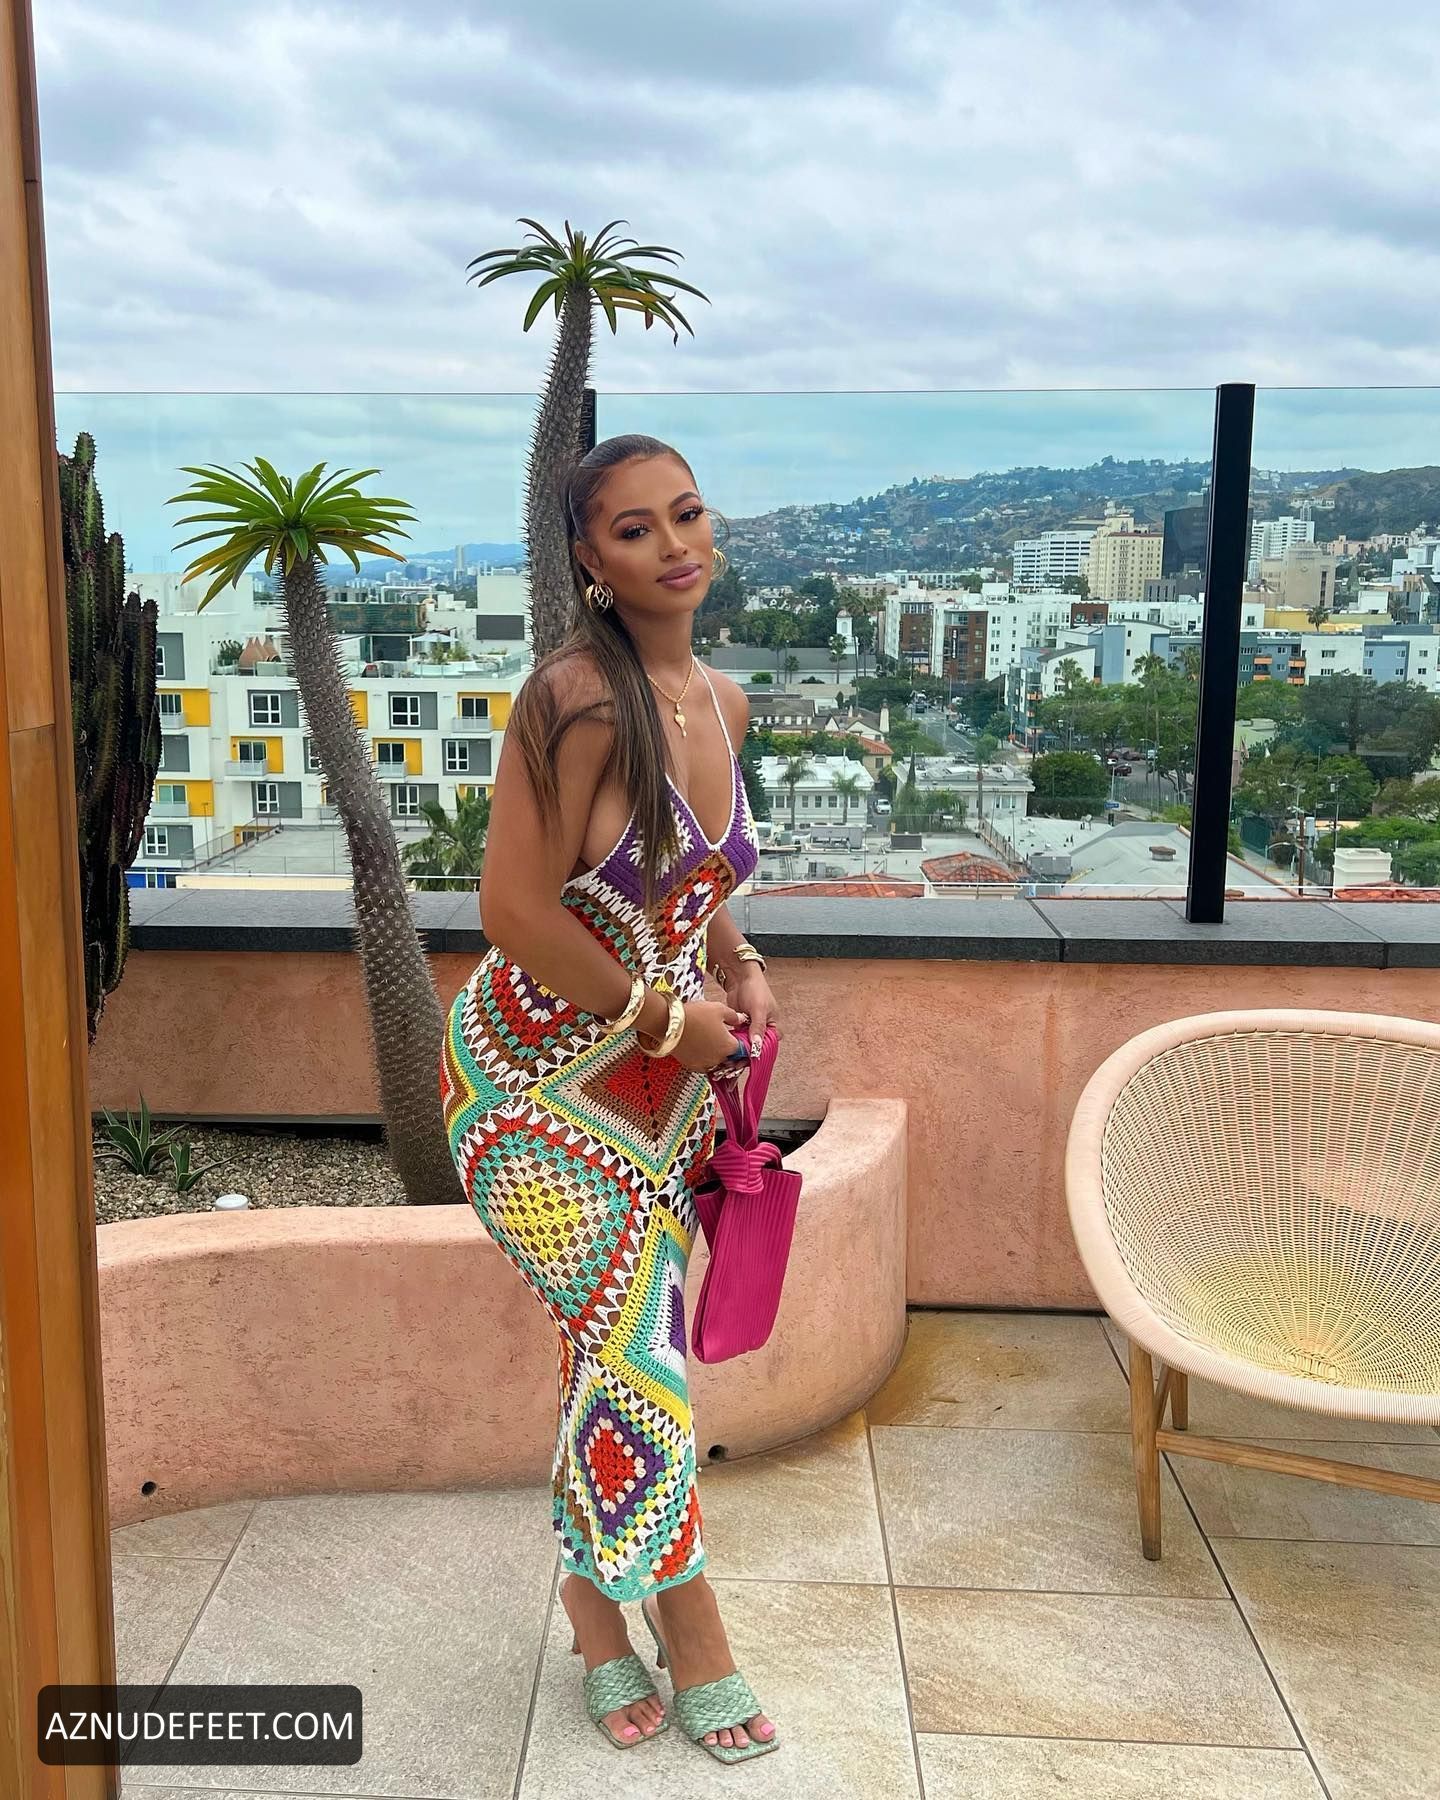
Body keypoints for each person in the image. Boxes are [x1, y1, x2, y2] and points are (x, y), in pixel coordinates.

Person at [440, 434, 781, 1764]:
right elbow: (514, 912)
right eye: (636, 530)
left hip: (658, 1097)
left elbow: (696, 881)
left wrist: (740, 967)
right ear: (589, 559)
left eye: (687, 514)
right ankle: (692, 1633)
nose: (674, 545)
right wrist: (667, 1018)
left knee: (610, 1349)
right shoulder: (571, 699)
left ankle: (592, 1610)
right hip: (527, 1092)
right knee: (642, 1355)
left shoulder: (723, 701)